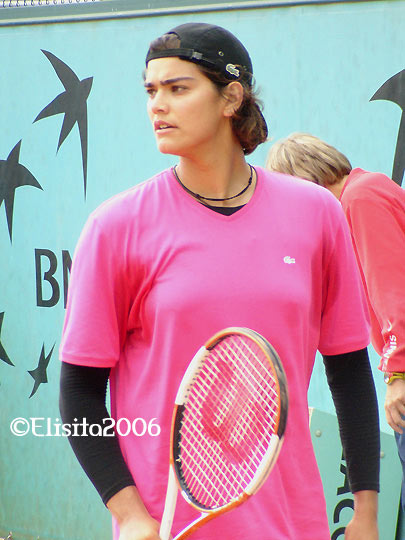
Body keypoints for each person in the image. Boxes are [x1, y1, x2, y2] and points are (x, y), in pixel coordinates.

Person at [59, 24, 380, 540]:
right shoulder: (115, 226)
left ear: (232, 97)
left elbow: (348, 372)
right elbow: (78, 395)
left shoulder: (317, 214)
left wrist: (366, 513)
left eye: (178, 88)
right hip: (165, 527)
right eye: (151, 90)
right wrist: (132, 515)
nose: (157, 106)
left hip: (293, 525)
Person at [267, 131, 405, 510]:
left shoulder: (360, 200)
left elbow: (393, 292)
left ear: (305, 181)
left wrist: (399, 373)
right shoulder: (366, 194)